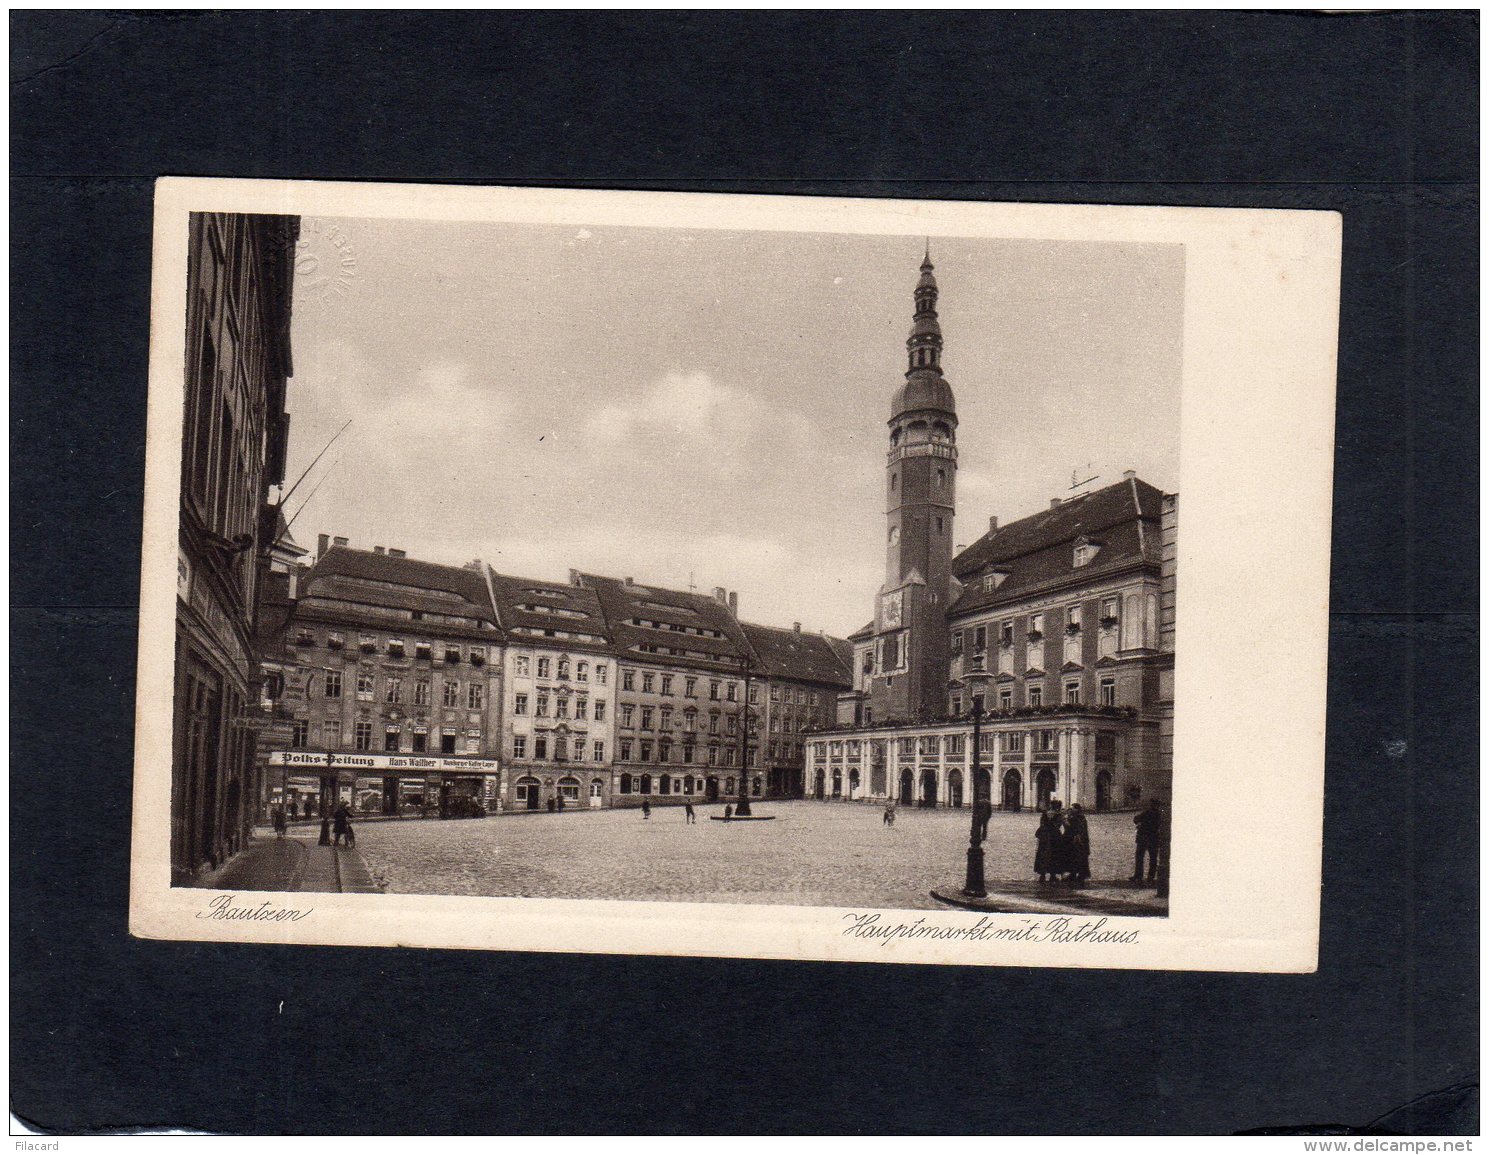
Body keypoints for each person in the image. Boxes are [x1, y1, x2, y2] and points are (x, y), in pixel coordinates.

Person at [1131, 798, 1162, 882]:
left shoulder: (1147, 813)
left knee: (1140, 857)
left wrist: (1140, 824)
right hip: (1154, 838)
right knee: (1153, 858)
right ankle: (1150, 877)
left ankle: (1138, 875)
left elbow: (1136, 819)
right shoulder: (1160, 814)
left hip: (1143, 838)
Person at [1063, 803, 1091, 887]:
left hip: (1078, 841)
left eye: (1073, 808)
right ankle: (1073, 874)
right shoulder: (1077, 818)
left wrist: (1065, 821)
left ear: (1078, 809)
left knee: (1079, 857)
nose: (1071, 810)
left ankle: (1080, 875)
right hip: (1075, 841)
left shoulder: (1078, 818)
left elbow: (1071, 828)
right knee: (1073, 857)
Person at [1034, 808, 1060, 883]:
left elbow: (1039, 832)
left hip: (1045, 840)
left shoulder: (1043, 819)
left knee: (1043, 857)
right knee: (1053, 856)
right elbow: (1058, 825)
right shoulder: (1057, 816)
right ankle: (1052, 875)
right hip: (1053, 839)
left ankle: (1043, 875)